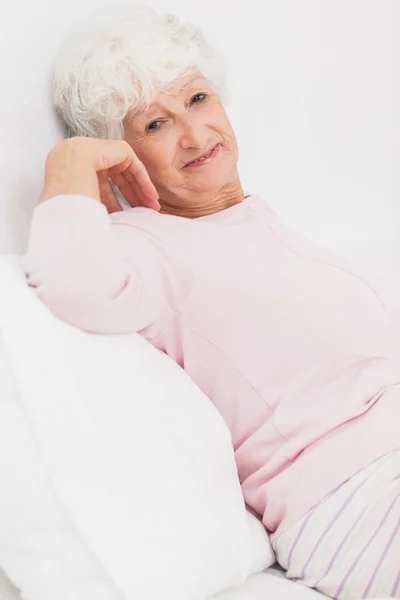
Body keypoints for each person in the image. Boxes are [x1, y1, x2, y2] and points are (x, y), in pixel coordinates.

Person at [21, 5, 400, 598]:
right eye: (154, 124)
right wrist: (66, 164)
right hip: (347, 498)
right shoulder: (146, 242)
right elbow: (74, 286)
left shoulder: (246, 219)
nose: (195, 135)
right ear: (118, 153)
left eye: (197, 99)